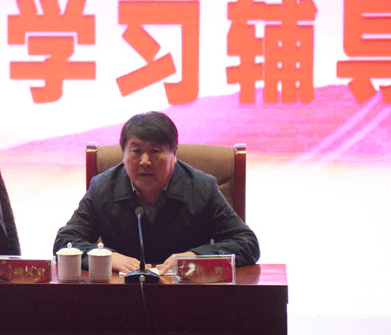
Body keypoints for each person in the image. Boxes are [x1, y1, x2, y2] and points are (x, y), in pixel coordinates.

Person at [53, 111, 260, 275]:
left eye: (154, 152)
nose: (145, 161)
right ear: (124, 154)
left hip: (187, 298)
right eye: (136, 151)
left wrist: (195, 257)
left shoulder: (201, 188)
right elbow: (65, 241)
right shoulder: (103, 188)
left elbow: (247, 243)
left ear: (174, 154)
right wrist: (107, 257)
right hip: (122, 298)